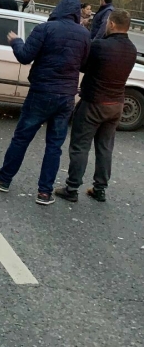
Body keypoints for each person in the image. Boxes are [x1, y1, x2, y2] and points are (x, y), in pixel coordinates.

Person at [0, 0, 90, 204]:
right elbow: (84, 65)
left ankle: (5, 179)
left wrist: (16, 41)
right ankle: (44, 192)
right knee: (54, 145)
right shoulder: (84, 34)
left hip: (41, 93)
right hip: (65, 97)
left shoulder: (45, 29)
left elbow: (25, 56)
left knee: (22, 138)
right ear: (76, 13)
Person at [55, 10, 137, 204]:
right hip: (116, 104)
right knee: (105, 148)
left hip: (94, 103)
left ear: (113, 25)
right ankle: (100, 189)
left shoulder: (100, 46)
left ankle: (72, 187)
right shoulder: (132, 50)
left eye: (108, 22)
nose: (106, 24)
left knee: (80, 146)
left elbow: (82, 65)